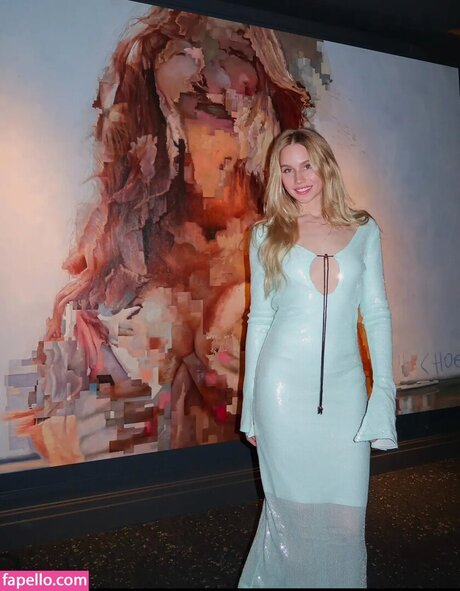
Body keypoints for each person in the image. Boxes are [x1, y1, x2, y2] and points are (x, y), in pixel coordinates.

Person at [3, 7, 317, 466]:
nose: (211, 72)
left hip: (259, 477)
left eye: (231, 50)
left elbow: (340, 389)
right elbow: (41, 422)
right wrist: (71, 433)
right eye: (188, 52)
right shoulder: (123, 254)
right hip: (146, 493)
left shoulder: (294, 249)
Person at [238, 127, 398, 588]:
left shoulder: (364, 230)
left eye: (307, 166)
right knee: (291, 521)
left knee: (347, 523)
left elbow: (377, 313)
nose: (299, 179)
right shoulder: (266, 234)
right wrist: (250, 406)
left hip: (346, 394)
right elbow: (260, 320)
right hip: (281, 392)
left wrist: (384, 392)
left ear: (325, 165)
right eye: (287, 170)